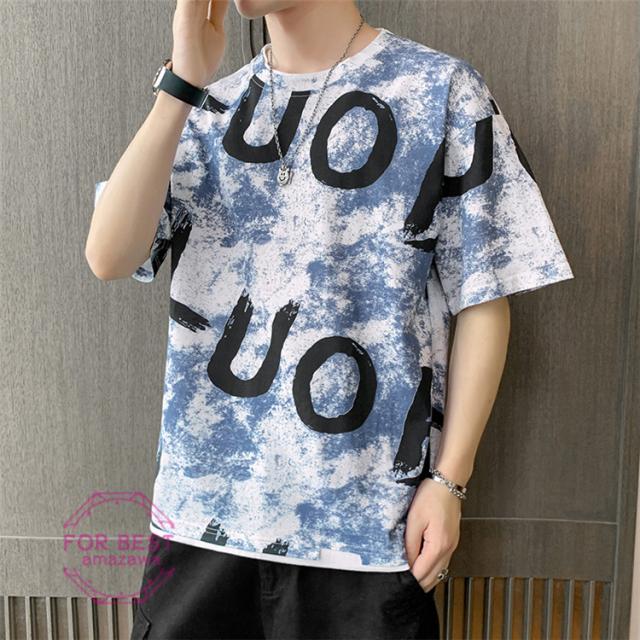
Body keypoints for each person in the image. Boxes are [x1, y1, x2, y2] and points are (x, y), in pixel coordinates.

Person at [86, 0, 575, 638]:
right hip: (203, 523)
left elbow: (484, 297)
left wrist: (449, 482)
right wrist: (181, 83)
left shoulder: (440, 90)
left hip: (366, 532)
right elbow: (109, 257)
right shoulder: (206, 108)